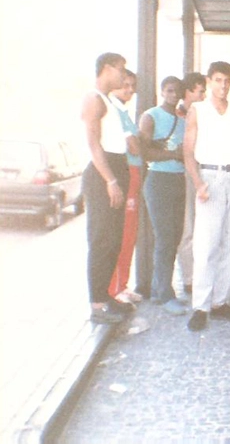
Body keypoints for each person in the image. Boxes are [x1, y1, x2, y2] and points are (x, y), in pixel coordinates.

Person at [183, 61, 230, 331]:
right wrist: (199, 182)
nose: (223, 86)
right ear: (209, 81)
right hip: (210, 179)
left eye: (227, 81)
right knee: (207, 244)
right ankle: (201, 306)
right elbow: (188, 152)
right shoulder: (197, 110)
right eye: (218, 80)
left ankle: (220, 302)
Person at [81, 52, 131, 324]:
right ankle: (97, 304)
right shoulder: (94, 99)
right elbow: (93, 144)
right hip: (103, 171)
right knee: (101, 239)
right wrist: (110, 180)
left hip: (117, 166)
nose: (124, 75)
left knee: (114, 240)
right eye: (121, 69)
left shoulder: (112, 101)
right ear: (107, 68)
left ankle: (105, 294)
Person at [139, 76, 188, 316]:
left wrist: (180, 156)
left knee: (174, 236)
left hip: (178, 180)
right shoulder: (151, 116)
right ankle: (165, 293)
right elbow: (143, 150)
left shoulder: (182, 120)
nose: (173, 94)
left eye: (177, 91)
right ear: (161, 91)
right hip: (158, 180)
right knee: (165, 236)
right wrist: (172, 155)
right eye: (169, 90)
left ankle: (160, 291)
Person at [108, 69, 143, 305]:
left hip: (135, 174)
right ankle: (114, 289)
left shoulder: (124, 110)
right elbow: (133, 145)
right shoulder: (114, 110)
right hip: (127, 173)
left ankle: (123, 285)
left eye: (132, 86)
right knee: (121, 234)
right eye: (125, 85)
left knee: (130, 235)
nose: (130, 90)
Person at [175, 72, 207, 297]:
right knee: (187, 227)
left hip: (199, 173)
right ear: (188, 92)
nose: (204, 95)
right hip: (183, 175)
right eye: (200, 91)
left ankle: (198, 275)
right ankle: (188, 278)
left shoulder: (201, 114)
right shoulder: (178, 114)